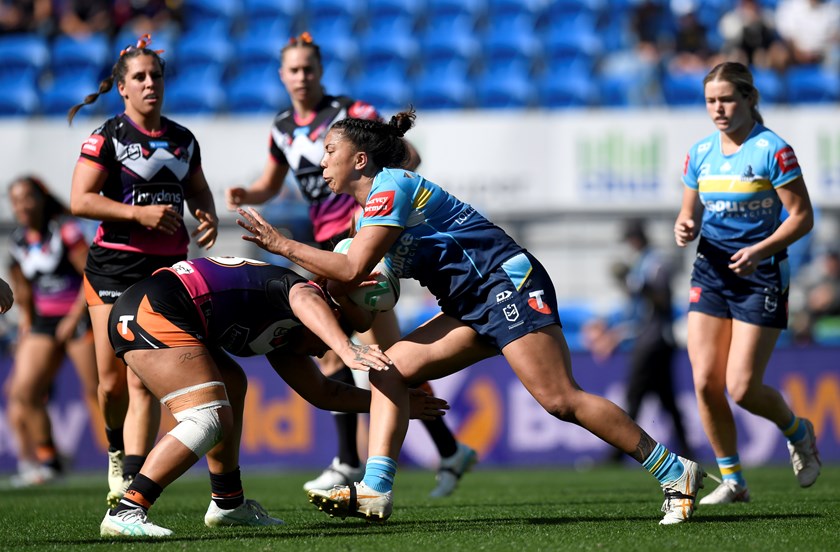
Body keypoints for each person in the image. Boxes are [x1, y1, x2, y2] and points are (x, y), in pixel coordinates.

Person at [237, 108, 705, 526]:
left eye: (329, 151)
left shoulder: (391, 186)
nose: (321, 162)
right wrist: (343, 294)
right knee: (387, 369)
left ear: (360, 159)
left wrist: (282, 246)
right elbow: (366, 306)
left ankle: (674, 470)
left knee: (560, 400)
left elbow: (353, 266)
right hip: (467, 303)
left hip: (505, 283)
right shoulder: (364, 221)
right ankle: (376, 490)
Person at [225, 32, 476, 498]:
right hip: (329, 247)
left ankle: (349, 460)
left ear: (321, 71)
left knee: (340, 348)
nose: (302, 77)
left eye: (309, 68)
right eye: (293, 70)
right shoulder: (281, 126)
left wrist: (373, 211)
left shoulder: (350, 113)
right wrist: (248, 194)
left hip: (360, 247)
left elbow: (406, 156)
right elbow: (271, 183)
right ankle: (447, 449)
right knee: (380, 354)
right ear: (281, 76)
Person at [98, 256, 447, 537]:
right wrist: (346, 348)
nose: (323, 350)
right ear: (327, 317)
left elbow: (323, 393)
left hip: (162, 310)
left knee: (232, 386)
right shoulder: (302, 294)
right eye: (328, 337)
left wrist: (394, 404)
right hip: (153, 309)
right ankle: (128, 509)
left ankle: (228, 503)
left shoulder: (288, 333)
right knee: (207, 416)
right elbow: (304, 297)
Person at [67, 33, 219, 508]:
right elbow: (80, 200)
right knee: (112, 383)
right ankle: (116, 450)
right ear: (122, 88)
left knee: (141, 378)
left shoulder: (183, 139)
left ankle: (132, 480)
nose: (150, 83)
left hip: (166, 271)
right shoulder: (106, 137)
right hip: (113, 269)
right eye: (139, 77)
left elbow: (198, 189)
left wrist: (208, 213)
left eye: (156, 75)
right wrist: (139, 215)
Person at [673, 61, 820, 505]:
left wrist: (759, 250)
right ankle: (733, 480)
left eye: (726, 99)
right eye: (710, 101)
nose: (718, 109)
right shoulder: (700, 153)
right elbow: (689, 214)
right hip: (710, 273)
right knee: (704, 382)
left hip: (761, 276)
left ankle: (797, 430)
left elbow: (802, 217)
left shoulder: (772, 150)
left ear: (749, 98)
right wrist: (684, 225)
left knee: (741, 388)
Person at [4, 176, 100, 487]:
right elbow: (24, 293)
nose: (21, 205)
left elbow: (90, 275)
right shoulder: (18, 242)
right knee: (24, 392)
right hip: (44, 323)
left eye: (27, 197)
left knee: (99, 391)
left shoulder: (66, 231)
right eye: (15, 200)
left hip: (78, 318)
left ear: (41, 199)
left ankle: (124, 457)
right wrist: (25, 327)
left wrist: (73, 318)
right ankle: (49, 461)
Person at [584, 219, 693, 463]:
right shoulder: (641, 263)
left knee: (634, 398)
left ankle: (617, 454)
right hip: (649, 339)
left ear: (637, 239)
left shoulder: (655, 263)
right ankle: (688, 451)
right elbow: (636, 311)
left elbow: (661, 301)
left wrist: (637, 284)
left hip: (654, 341)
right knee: (667, 402)